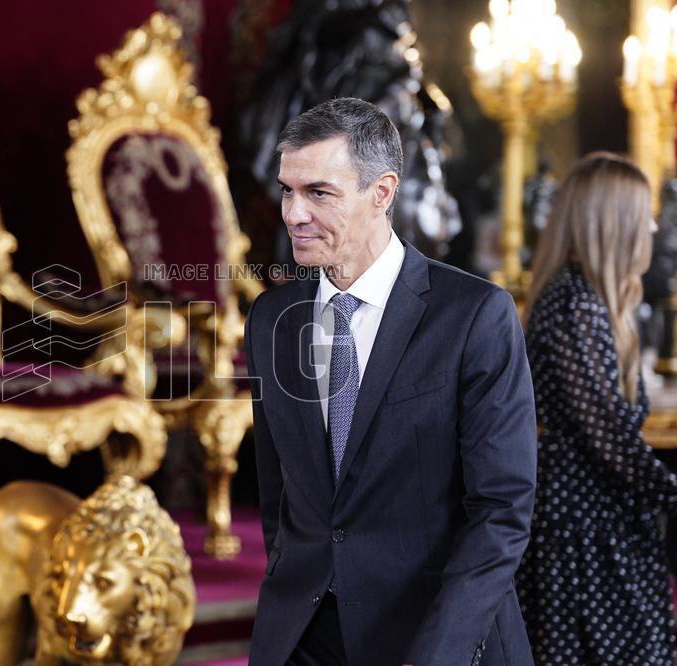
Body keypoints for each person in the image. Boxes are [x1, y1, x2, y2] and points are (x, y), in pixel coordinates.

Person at [245, 97, 537, 666]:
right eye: (287, 190)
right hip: (301, 637)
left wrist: (438, 653)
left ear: (381, 192)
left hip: (435, 636)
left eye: (318, 193)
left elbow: (501, 512)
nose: (294, 214)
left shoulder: (475, 315)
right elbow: (279, 496)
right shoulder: (270, 320)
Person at [515, 152, 677, 664]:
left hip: (599, 519)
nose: (654, 227)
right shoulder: (573, 302)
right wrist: (670, 489)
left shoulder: (589, 300)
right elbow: (606, 434)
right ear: (613, 223)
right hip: (581, 527)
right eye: (644, 214)